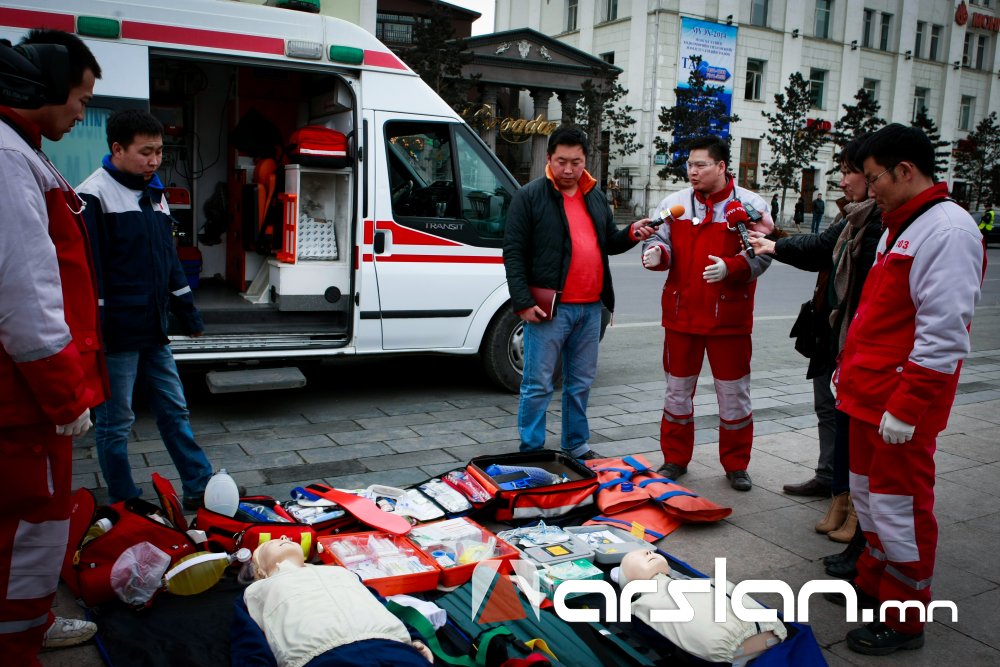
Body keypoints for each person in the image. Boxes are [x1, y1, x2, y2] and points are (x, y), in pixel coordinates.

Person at [830, 124, 984, 655]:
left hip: (898, 406)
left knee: (900, 508)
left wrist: (908, 405)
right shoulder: (903, 225)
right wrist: (846, 369)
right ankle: (875, 584)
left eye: (874, 178)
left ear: (905, 171)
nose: (869, 188)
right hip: (869, 396)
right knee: (871, 503)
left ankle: (905, 616)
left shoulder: (948, 231)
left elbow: (943, 333)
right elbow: (879, 317)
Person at [0, 29, 107, 664]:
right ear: (45, 87)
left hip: (22, 398)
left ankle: (32, 619)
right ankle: (19, 644)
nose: (81, 111)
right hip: (24, 405)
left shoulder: (20, 150)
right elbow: (26, 298)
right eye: (81, 96)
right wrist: (66, 397)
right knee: (32, 529)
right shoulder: (10, 160)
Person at [750, 136, 883, 579]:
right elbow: (822, 251)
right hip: (832, 331)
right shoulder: (853, 219)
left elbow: (827, 256)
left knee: (854, 426)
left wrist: (776, 247)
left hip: (857, 341)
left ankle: (856, 512)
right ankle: (836, 489)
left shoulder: (880, 223)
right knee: (830, 412)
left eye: (849, 172)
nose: (842, 180)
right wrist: (777, 245)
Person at [77, 109, 214, 511]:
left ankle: (198, 485)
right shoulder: (93, 195)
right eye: (145, 152)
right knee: (116, 423)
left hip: (154, 329)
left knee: (175, 409)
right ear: (117, 149)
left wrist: (188, 314)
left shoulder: (155, 193)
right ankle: (124, 501)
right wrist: (96, 332)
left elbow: (169, 262)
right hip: (116, 332)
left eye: (159, 152)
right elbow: (90, 274)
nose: (154, 161)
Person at [503, 125, 654, 460]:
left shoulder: (595, 196)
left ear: (586, 160)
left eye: (576, 162)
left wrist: (631, 233)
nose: (569, 170)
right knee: (538, 385)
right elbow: (513, 251)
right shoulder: (530, 196)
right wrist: (522, 302)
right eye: (561, 162)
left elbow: (608, 244)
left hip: (590, 309)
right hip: (549, 310)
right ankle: (531, 448)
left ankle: (575, 443)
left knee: (580, 383)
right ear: (549, 159)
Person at [640, 135, 773, 491]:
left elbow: (763, 253)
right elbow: (659, 240)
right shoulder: (674, 203)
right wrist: (657, 254)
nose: (693, 171)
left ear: (721, 167)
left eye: (700, 165)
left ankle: (736, 464)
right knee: (677, 392)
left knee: (734, 395)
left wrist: (732, 268)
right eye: (690, 164)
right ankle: (675, 459)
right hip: (681, 316)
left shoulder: (750, 204)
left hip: (729, 319)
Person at [230, 536, 433, 666]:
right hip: (322, 657)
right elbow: (249, 643)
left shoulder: (341, 572)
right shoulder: (256, 592)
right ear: (259, 569)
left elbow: (382, 607)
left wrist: (415, 639)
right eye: (272, 542)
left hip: (392, 647)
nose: (284, 537)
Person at [615, 549, 786, 665]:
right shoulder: (644, 604)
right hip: (759, 637)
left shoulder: (645, 606)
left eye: (651, 552)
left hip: (740, 640)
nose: (648, 552)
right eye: (638, 557)